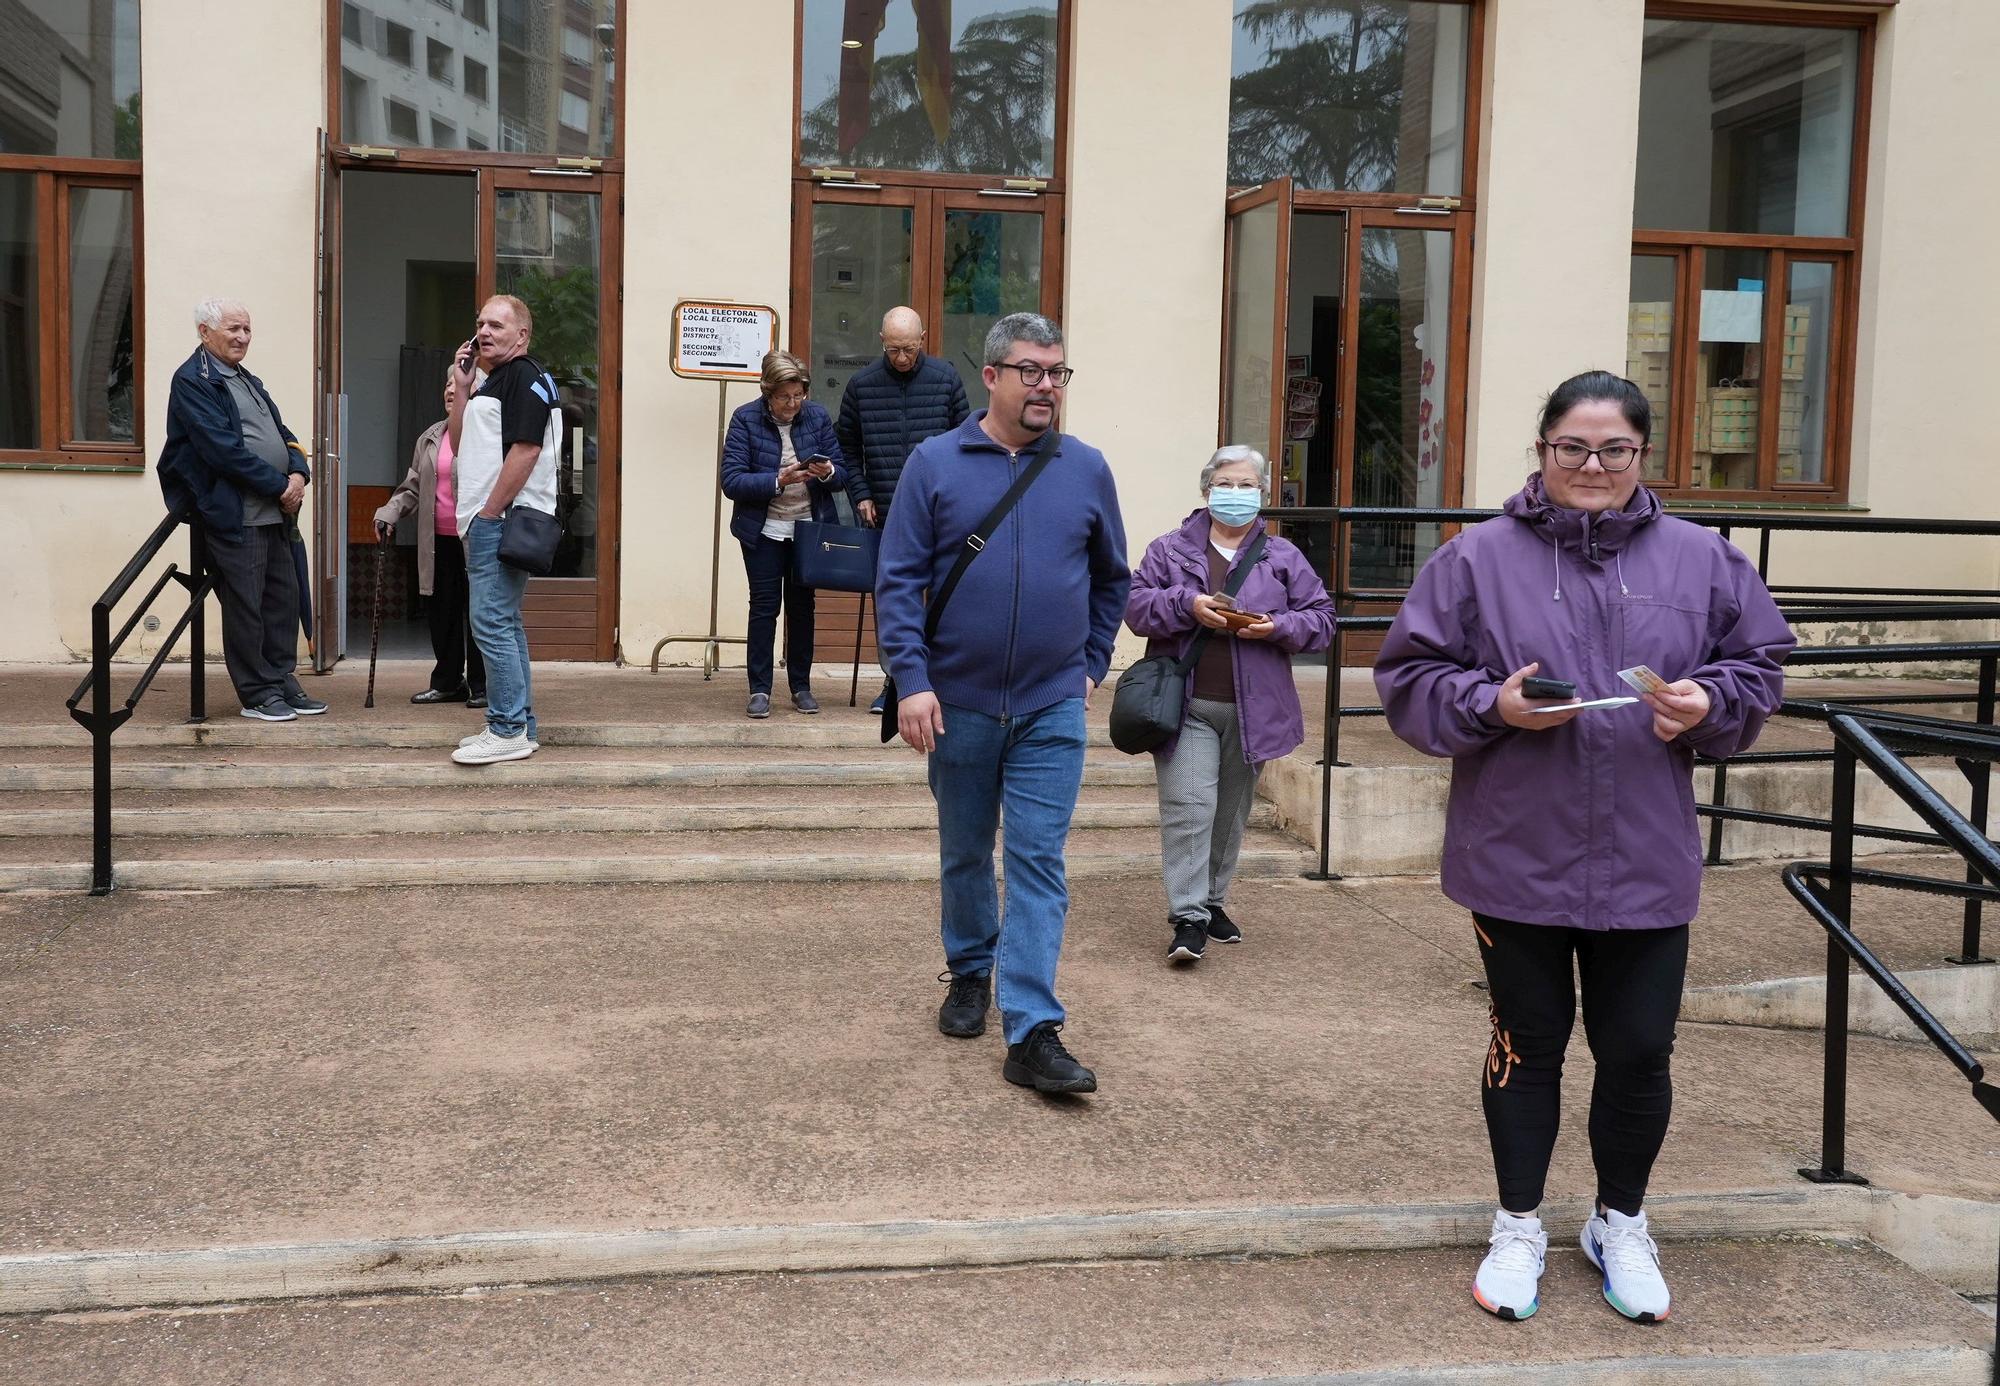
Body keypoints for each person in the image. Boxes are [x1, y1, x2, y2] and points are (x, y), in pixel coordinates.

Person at [1374, 370, 1794, 1325]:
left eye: (1614, 449)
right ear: (1542, 451)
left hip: (1647, 858)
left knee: (1639, 1051)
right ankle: (1519, 1224)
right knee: (1529, 1045)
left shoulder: (1703, 560)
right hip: (1517, 853)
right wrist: (1492, 705)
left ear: (1644, 456)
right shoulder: (1476, 559)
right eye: (1574, 448)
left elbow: (1759, 664)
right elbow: (1408, 676)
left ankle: (1620, 1221)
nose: (1593, 466)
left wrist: (1709, 704)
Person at [876, 312, 1130, 1095]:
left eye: (1058, 372)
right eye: (1032, 371)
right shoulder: (935, 464)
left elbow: (1112, 577)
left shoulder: (1085, 468)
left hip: (1052, 704)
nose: (1048, 385)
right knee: (963, 852)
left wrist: (1089, 664)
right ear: (992, 376)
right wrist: (913, 680)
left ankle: (1031, 1030)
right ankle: (969, 970)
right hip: (959, 703)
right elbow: (898, 582)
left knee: (1037, 863)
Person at [1124, 444, 1334, 965]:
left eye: (1247, 486)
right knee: (1190, 808)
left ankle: (1214, 902)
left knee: (1230, 813)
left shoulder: (1283, 556)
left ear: (1263, 494)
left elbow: (1322, 619)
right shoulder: (1169, 550)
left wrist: (1276, 625)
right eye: (1226, 484)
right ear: (1206, 488)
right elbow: (1135, 606)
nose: (1235, 494)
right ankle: (1189, 917)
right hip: (1187, 702)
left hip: (1254, 709)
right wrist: (1186, 604)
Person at [156, 298, 325, 724]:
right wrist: (279, 486)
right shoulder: (193, 380)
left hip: (274, 513)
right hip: (234, 515)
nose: (242, 337)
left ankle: (281, 679)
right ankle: (256, 693)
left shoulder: (247, 379)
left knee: (282, 602)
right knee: (246, 607)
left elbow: (282, 434)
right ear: (204, 332)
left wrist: (300, 474)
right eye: (233, 329)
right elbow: (222, 451)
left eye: (247, 329)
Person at [447, 294, 563, 766]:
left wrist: (490, 513)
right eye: (480, 324)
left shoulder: (523, 376)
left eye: (497, 324)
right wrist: (463, 384)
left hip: (500, 518)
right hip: (489, 517)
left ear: (522, 335)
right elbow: (458, 444)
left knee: (491, 624)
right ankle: (520, 724)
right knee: (504, 623)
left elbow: (527, 450)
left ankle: (507, 727)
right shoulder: (494, 382)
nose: (485, 332)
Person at [837, 306, 971, 714]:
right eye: (894, 349)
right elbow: (846, 446)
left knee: (947, 594)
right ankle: (895, 681)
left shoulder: (946, 378)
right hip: (885, 509)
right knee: (894, 597)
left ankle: (944, 680)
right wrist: (859, 493)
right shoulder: (861, 385)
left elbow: (967, 440)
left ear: (923, 339)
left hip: (942, 511)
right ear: (881, 340)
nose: (901, 358)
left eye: (909, 349)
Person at [719, 350, 849, 719]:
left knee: (802, 609)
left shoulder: (817, 416)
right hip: (762, 531)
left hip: (807, 528)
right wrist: (779, 480)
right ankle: (759, 690)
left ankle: (801, 687)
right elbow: (732, 481)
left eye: (798, 395)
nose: (792, 404)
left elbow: (841, 474)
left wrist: (825, 472)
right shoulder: (744, 418)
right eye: (784, 397)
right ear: (767, 392)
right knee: (763, 608)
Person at [374, 365, 486, 708]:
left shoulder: (486, 434)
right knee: (442, 611)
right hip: (437, 541)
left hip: (477, 539)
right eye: (447, 382)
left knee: (479, 614)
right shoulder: (432, 436)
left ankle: (484, 686)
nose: (451, 389)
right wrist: (389, 512)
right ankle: (449, 682)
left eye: (459, 383)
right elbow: (413, 486)